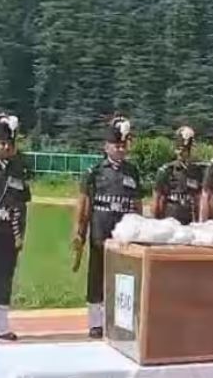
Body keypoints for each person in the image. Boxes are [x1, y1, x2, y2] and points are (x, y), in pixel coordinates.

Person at [73, 115, 143, 339]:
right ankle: (96, 321)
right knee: (97, 272)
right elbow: (84, 204)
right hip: (100, 227)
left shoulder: (132, 171)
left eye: (123, 145)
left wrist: (140, 229)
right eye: (116, 145)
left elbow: (137, 204)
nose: (120, 149)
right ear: (106, 147)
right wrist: (79, 231)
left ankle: (120, 319)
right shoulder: (94, 171)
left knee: (124, 274)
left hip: (124, 230)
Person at [0, 113, 30, 343]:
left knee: (5, 275)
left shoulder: (18, 171)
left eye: (10, 143)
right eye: (2, 142)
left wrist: (21, 234)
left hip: (9, 230)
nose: (7, 147)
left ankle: (1, 324)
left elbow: (22, 204)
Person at [152, 125, 203, 224]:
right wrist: (157, 223)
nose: (182, 152)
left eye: (186, 149)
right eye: (180, 149)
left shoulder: (196, 171)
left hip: (189, 223)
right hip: (170, 222)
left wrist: (198, 223)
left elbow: (198, 200)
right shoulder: (166, 171)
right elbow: (158, 200)